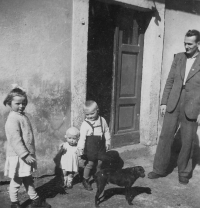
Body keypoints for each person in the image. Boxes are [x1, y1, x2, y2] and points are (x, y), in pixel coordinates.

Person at [148, 30, 200, 185]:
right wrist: (164, 102)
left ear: (198, 44)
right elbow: (170, 80)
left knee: (187, 140)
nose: (186, 46)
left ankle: (184, 172)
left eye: (190, 43)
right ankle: (159, 169)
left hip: (192, 105)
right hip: (173, 102)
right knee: (165, 136)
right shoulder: (178, 57)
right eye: (185, 43)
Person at [3, 85, 51, 208]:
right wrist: (25, 155)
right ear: (9, 103)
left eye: (24, 103)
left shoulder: (21, 116)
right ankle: (14, 202)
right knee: (17, 180)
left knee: (27, 178)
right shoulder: (13, 119)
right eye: (17, 103)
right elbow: (16, 140)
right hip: (19, 156)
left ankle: (35, 200)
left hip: (24, 155)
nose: (21, 106)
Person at [77, 100, 111, 191]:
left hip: (101, 146)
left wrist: (107, 142)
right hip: (91, 146)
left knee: (100, 162)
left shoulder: (102, 120)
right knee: (90, 163)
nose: (90, 116)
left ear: (97, 110)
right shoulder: (85, 124)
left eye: (92, 113)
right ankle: (85, 179)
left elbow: (106, 131)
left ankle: (97, 176)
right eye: (87, 114)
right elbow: (82, 138)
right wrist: (80, 148)